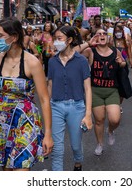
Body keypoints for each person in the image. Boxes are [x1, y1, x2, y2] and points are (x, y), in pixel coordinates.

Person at [0, 17, 53, 170]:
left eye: (0, 36)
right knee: (7, 170)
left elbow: (44, 99)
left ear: (14, 37)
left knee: (21, 169)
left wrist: (48, 133)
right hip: (2, 121)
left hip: (25, 121)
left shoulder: (32, 62)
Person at [47, 26, 92, 171]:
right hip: (56, 106)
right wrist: (47, 109)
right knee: (57, 148)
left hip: (77, 107)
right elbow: (50, 86)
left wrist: (88, 114)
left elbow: (87, 89)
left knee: (76, 145)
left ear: (70, 40)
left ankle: (78, 162)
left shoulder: (81, 61)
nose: (56, 42)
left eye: (59, 39)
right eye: (55, 39)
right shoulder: (52, 62)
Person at [79, 28, 126, 156]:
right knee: (99, 120)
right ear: (95, 37)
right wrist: (89, 42)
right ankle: (100, 143)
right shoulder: (90, 51)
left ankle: (110, 131)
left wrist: (121, 63)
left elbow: (123, 63)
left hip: (112, 90)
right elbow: (73, 54)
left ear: (108, 37)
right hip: (95, 91)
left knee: (115, 119)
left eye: (104, 33)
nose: (101, 35)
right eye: (98, 34)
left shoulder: (115, 51)